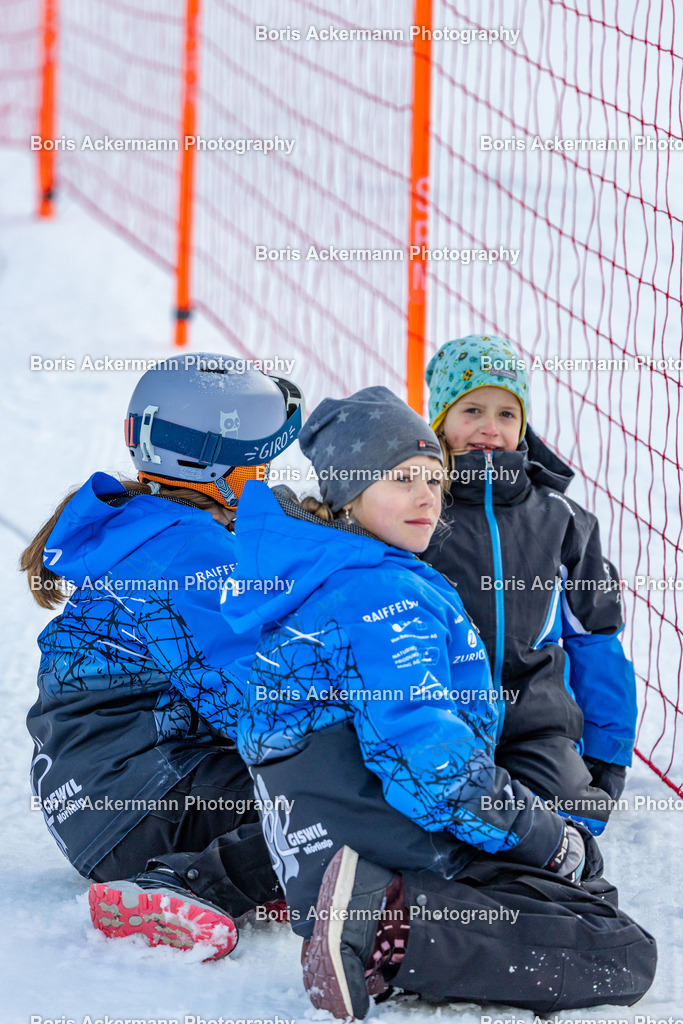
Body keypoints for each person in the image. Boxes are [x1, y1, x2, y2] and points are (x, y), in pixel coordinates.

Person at [226, 386, 655, 1019]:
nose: (428, 496)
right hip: (388, 850)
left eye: (434, 477)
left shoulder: (318, 576)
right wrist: (543, 837)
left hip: (325, 850)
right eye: (402, 479)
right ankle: (382, 927)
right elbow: (434, 769)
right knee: (617, 948)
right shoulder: (386, 600)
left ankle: (383, 922)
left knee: (580, 893)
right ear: (349, 495)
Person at [22, 354, 302, 958]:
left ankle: (265, 867)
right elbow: (250, 703)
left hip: (101, 800)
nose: (266, 476)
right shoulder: (191, 557)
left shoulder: (152, 525)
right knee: (335, 794)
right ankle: (189, 882)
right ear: (217, 470)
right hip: (136, 810)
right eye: (258, 464)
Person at [422, 335, 637, 836]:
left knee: (568, 823)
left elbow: (596, 639)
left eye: (507, 414)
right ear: (440, 421)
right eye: (471, 409)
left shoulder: (561, 520)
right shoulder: (419, 508)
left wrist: (607, 750)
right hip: (440, 717)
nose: (489, 429)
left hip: (535, 726)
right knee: (436, 825)